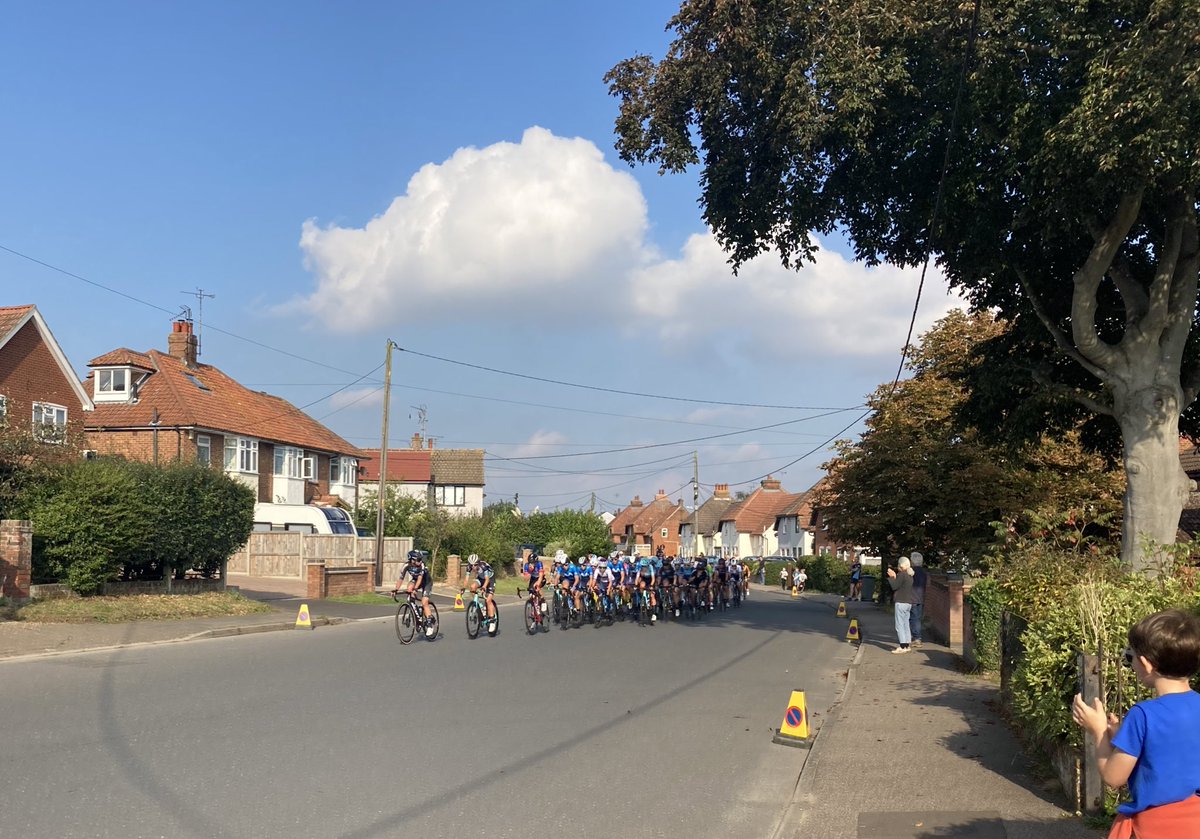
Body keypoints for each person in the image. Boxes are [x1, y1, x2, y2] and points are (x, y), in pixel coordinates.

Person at [1071, 608, 1200, 838]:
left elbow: (1113, 777)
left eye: (1130, 657)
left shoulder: (1143, 715)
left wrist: (1098, 730)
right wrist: (1122, 736)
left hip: (1154, 827)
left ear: (1146, 664)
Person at [401, 550, 436, 638]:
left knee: (424, 602)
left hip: (426, 582)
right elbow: (400, 579)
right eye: (418, 559)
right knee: (409, 588)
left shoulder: (422, 565)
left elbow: (420, 579)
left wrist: (416, 589)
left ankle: (430, 624)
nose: (420, 561)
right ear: (411, 560)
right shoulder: (407, 565)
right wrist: (395, 589)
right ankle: (415, 610)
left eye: (421, 559)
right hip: (416, 580)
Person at [885, 557, 916, 653]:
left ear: (901, 565)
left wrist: (892, 576)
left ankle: (902, 646)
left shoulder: (902, 574)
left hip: (901, 602)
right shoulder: (910, 575)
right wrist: (895, 576)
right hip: (908, 602)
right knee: (906, 623)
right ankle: (907, 644)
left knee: (899, 624)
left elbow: (895, 586)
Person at [463, 553, 497, 635]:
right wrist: (463, 588)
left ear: (478, 563)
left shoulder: (483, 566)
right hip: (481, 578)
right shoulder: (469, 567)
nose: (473, 567)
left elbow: (487, 579)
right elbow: (466, 579)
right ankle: (478, 605)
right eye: (472, 565)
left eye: (475, 565)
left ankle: (492, 620)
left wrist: (484, 587)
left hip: (490, 579)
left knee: (488, 600)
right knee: (472, 587)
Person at [909, 552, 927, 647]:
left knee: (913, 619)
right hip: (920, 597)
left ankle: (916, 638)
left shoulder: (911, 571)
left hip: (912, 598)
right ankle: (916, 637)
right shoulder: (923, 572)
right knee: (917, 619)